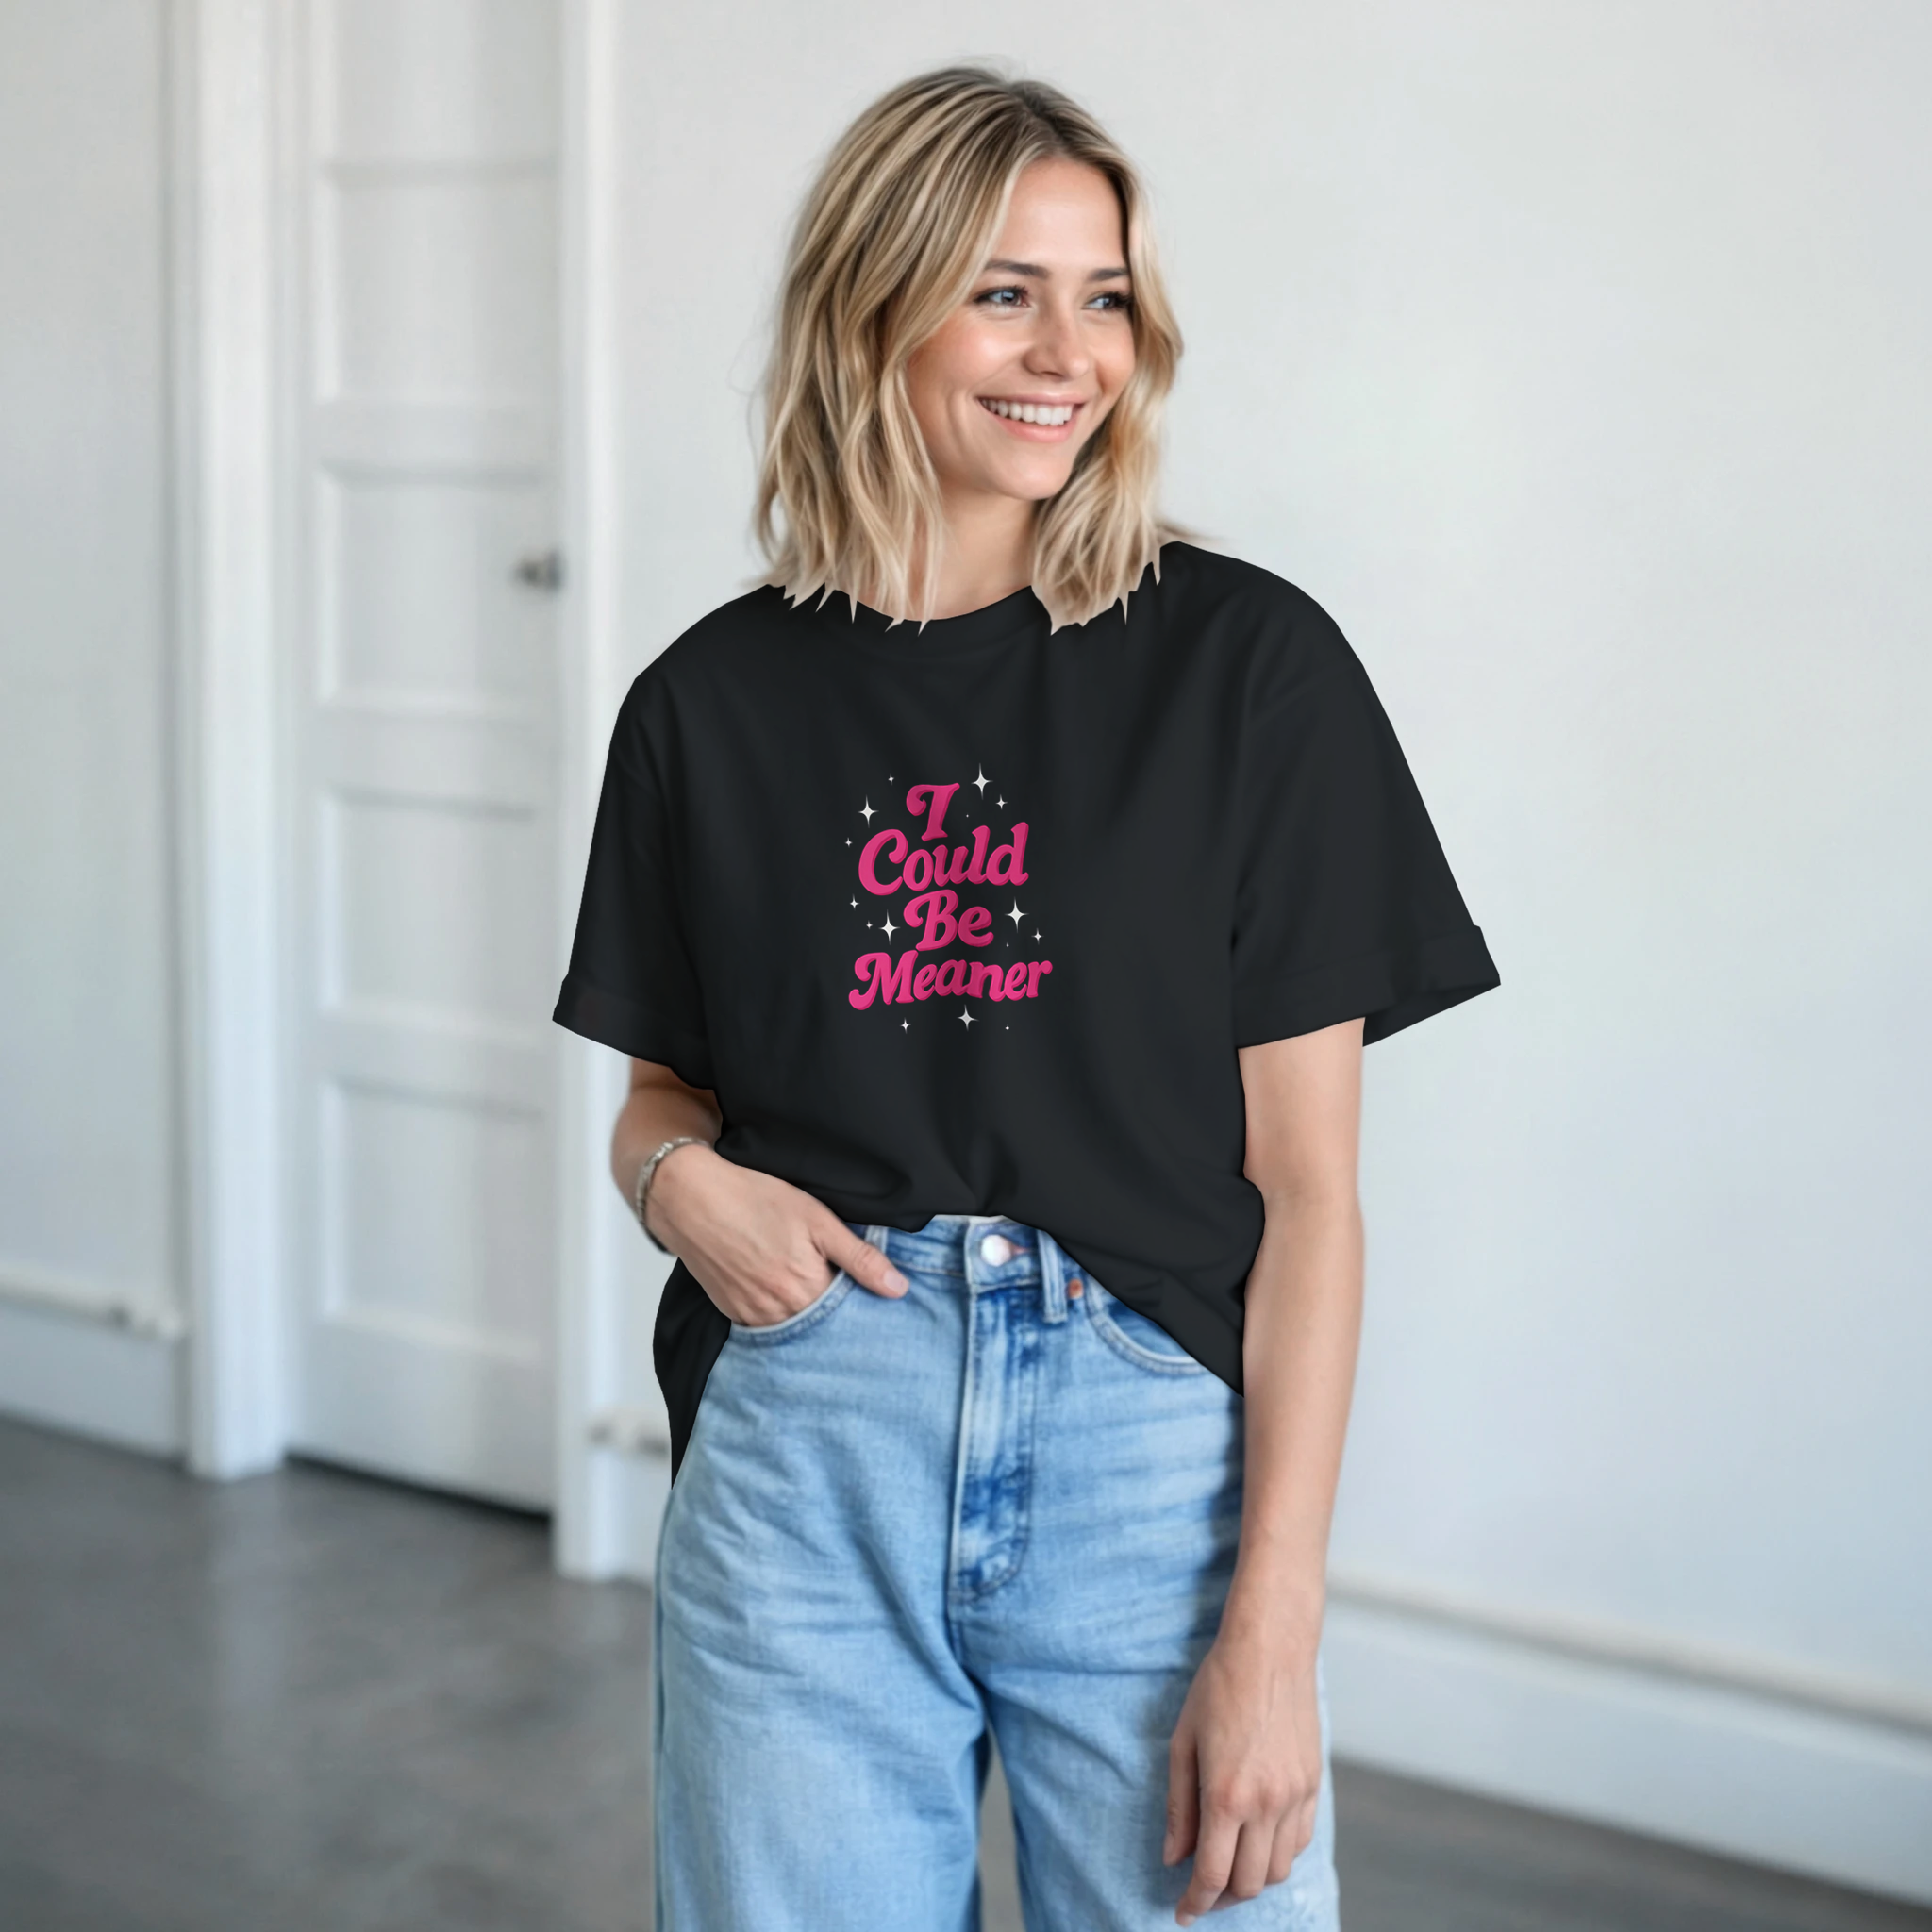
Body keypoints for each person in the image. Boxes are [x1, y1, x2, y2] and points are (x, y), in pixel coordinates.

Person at [555, 66, 1498, 1932]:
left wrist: (1275, 1631)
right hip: (812, 1431)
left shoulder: (1250, 672)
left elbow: (1305, 1190)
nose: (1069, 349)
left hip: (1146, 1448)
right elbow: (663, 1093)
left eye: (1106, 295)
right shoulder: (704, 706)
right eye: (1004, 289)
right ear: (872, 303)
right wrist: (673, 1183)